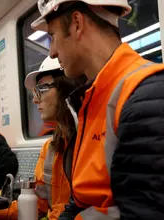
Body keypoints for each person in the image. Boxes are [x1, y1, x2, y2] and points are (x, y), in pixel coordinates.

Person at [32, 0, 164, 219]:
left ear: (76, 24)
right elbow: (81, 199)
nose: (52, 52)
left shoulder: (146, 95)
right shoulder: (89, 102)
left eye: (52, 36)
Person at [0, 56, 85, 220]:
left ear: (67, 88)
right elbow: (37, 206)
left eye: (41, 90)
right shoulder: (49, 149)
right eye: (35, 92)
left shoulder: (90, 142)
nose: (35, 99)